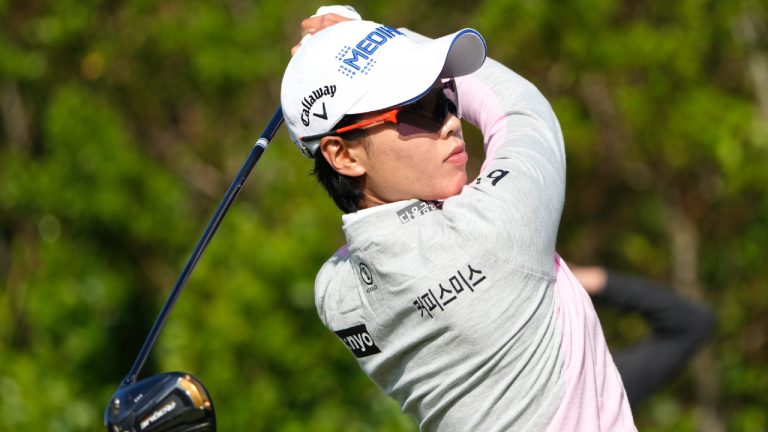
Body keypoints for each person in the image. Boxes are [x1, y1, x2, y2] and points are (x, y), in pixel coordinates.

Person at [281, 10, 637, 431]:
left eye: (445, 96)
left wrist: (361, 48)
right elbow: (519, 109)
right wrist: (380, 37)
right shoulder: (493, 228)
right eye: (419, 109)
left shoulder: (336, 293)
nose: (451, 121)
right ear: (344, 155)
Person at [572, 265, 716, 408]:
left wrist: (589, 281)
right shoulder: (600, 391)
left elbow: (694, 323)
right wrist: (590, 281)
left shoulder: (600, 386)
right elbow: (694, 323)